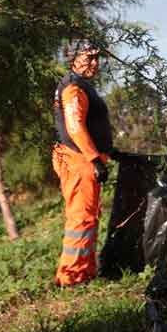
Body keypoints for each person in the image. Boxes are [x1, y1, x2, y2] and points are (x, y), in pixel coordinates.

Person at [51, 41, 114, 287]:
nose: (95, 63)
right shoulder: (73, 88)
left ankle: (85, 272)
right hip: (78, 160)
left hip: (80, 158)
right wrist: (95, 159)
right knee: (81, 219)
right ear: (73, 59)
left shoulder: (79, 84)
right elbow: (75, 127)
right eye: (89, 58)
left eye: (97, 58)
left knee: (88, 216)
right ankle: (71, 278)